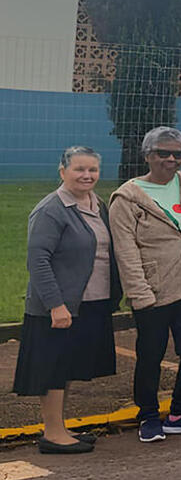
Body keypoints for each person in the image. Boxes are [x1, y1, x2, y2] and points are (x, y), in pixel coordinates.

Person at [110, 127, 181, 442]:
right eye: (164, 153)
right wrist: (140, 294)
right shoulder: (127, 197)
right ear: (148, 155)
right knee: (150, 354)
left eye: (178, 154)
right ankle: (148, 415)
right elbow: (125, 250)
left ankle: (178, 413)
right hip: (153, 290)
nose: (172, 159)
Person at [15, 146, 119, 454]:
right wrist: (55, 305)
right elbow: (38, 260)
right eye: (79, 169)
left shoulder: (96, 203)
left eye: (93, 170)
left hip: (90, 302)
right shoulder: (51, 209)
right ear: (62, 172)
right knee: (54, 369)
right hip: (58, 306)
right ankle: (52, 434)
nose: (87, 175)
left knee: (68, 366)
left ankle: (61, 427)